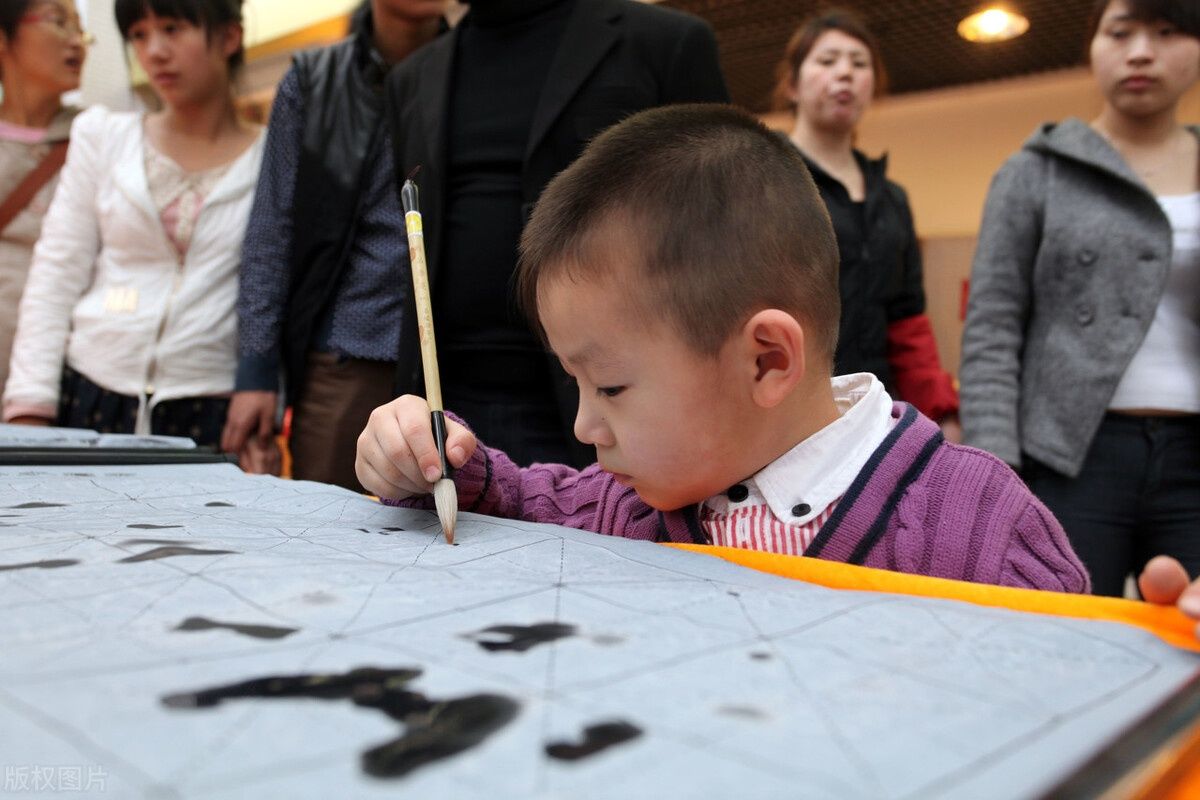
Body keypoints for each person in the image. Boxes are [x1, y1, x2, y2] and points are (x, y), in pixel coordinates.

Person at [356, 104, 1089, 592]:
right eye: (575, 382)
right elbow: (517, 495)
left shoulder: (987, 533)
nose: (584, 427)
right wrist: (433, 459)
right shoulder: (630, 499)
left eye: (609, 387)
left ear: (767, 360)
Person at [383, 0, 729, 470]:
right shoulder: (413, 77)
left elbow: (719, 230)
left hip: (607, 402)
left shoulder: (664, 43)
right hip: (448, 400)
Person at [959, 0, 1199, 596]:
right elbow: (992, 326)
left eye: (1167, 32)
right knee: (1061, 636)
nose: (1141, 51)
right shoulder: (1036, 171)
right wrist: (995, 471)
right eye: (1120, 33)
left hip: (1195, 460)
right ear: (1092, 46)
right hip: (1070, 457)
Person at [3, 0, 274, 469]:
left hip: (211, 405)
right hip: (90, 391)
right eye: (140, 35)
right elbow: (56, 274)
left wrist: (266, 384)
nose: (155, 52)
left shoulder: (273, 156)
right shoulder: (104, 136)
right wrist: (30, 408)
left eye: (172, 28)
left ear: (229, 37)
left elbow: (277, 291)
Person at [222, 0, 445, 491]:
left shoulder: (473, 69)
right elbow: (271, 230)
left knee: (456, 545)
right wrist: (256, 370)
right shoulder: (313, 79)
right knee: (323, 540)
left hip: (455, 362)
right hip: (347, 361)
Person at [774, 9, 960, 439]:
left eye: (859, 65)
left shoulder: (892, 198)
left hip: (878, 412)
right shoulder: (765, 177)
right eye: (827, 61)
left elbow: (908, 319)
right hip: (786, 415)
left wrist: (940, 412)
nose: (845, 74)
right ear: (793, 84)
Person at [0, 0, 87, 399]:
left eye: (80, 27)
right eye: (58, 21)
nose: (77, 41)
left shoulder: (97, 138)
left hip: (60, 380)